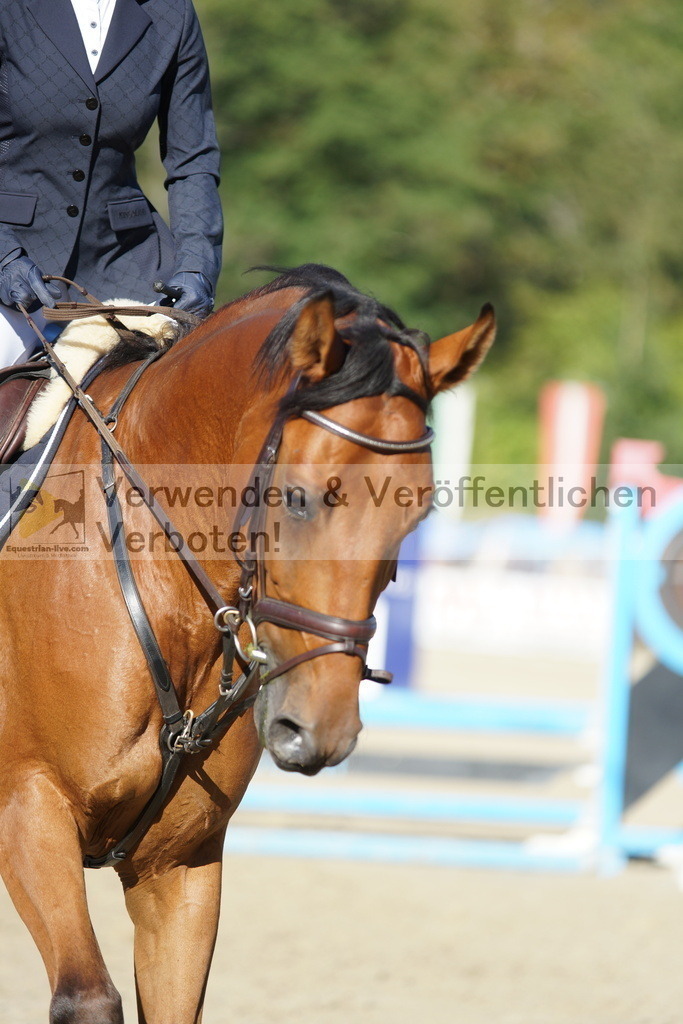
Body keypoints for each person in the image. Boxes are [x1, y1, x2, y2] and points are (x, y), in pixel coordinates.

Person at [0, 0, 223, 367]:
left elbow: (193, 158)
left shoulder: (172, 12)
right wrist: (4, 255)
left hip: (127, 261)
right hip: (15, 259)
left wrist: (198, 265)